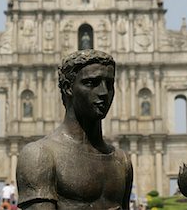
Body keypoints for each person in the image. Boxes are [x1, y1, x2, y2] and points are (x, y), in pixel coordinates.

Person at [17, 49, 133, 209]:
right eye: (91, 83)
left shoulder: (122, 161)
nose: (104, 92)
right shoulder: (40, 156)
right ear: (67, 87)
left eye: (109, 84)